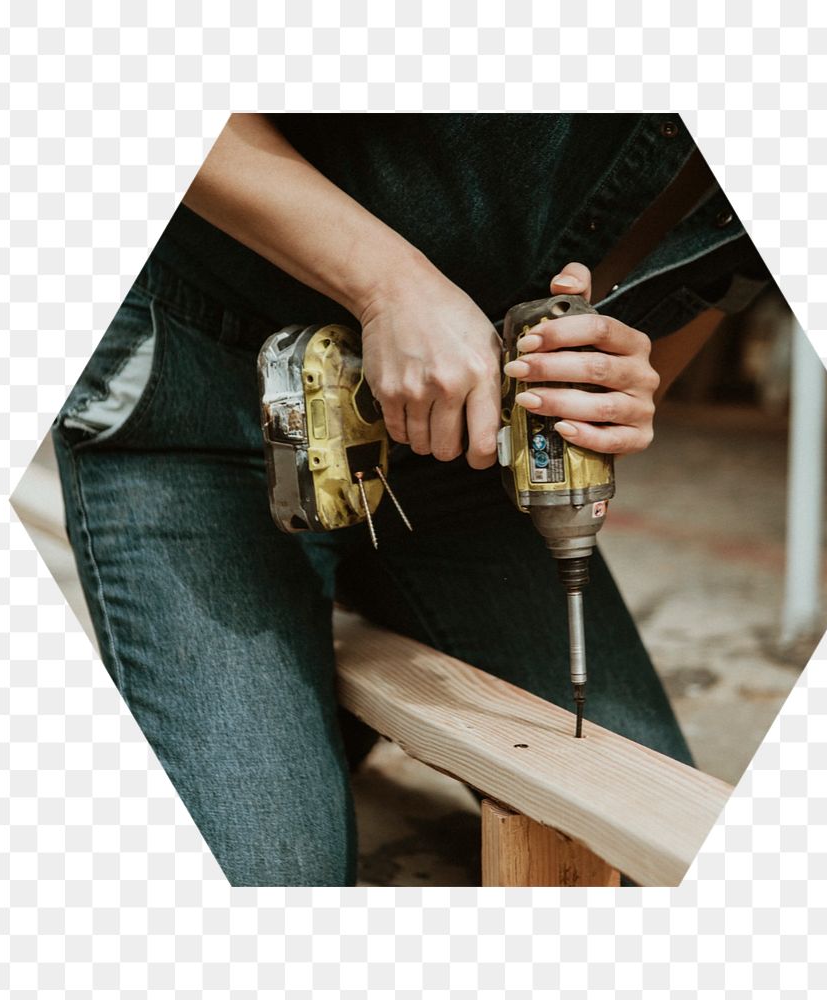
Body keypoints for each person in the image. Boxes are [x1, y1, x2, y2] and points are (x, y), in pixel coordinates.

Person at [52, 114, 769, 886]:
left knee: (643, 847)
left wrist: (617, 380)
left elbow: (670, 306)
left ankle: (311, 662)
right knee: (272, 878)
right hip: (204, 395)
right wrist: (391, 286)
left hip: (459, 438)